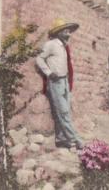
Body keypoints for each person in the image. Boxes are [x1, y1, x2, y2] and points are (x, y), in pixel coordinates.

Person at [36, 18, 83, 149]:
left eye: (69, 32)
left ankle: (61, 139)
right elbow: (39, 59)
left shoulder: (64, 46)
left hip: (64, 81)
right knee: (63, 112)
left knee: (65, 110)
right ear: (59, 32)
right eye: (66, 31)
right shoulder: (51, 44)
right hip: (55, 82)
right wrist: (49, 73)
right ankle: (76, 140)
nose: (69, 34)